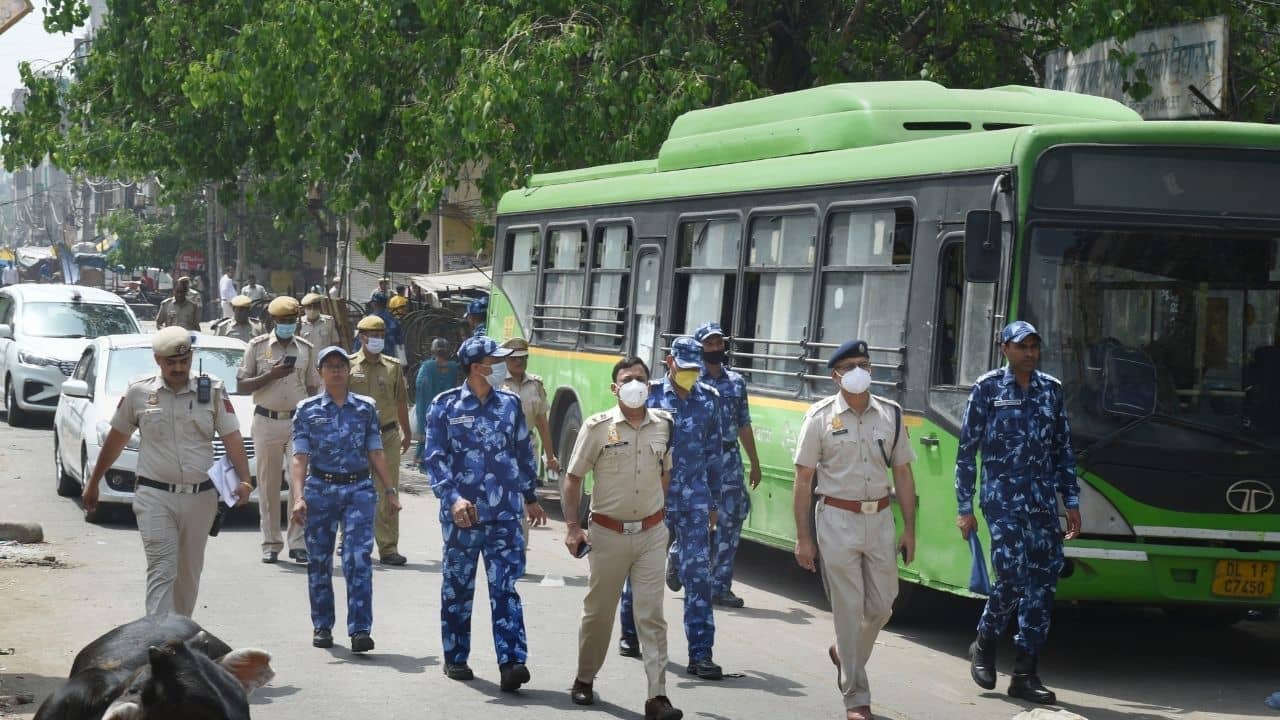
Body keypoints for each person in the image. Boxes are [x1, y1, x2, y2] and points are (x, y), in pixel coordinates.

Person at [82, 327, 252, 616]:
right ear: (157, 360)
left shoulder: (212, 390)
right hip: (154, 495)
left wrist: (245, 480)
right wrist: (94, 481)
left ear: (191, 358)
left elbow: (232, 436)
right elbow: (116, 438)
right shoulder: (139, 391)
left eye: (183, 362)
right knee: (162, 568)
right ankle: (156, 639)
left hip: (201, 498)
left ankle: (178, 639)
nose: (178, 368)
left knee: (187, 575)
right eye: (170, 362)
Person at [956, 320, 1080, 705]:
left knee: (1043, 585)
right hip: (1002, 502)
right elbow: (966, 452)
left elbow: (1063, 448)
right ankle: (985, 642)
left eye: (1034, 346)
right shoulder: (988, 388)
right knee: (1010, 576)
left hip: (1042, 504)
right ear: (1004, 348)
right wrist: (965, 507)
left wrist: (1071, 501)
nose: (1030, 352)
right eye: (1021, 346)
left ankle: (1025, 673)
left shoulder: (1051, 391)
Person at [793, 339, 917, 720]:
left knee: (881, 606)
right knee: (848, 608)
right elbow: (803, 479)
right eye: (850, 366)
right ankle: (855, 697)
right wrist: (803, 537)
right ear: (836, 376)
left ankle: (843, 653)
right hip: (835, 519)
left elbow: (904, 474)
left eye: (864, 363)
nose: (859, 371)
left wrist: (909, 529)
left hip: (880, 518)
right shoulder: (819, 417)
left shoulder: (891, 415)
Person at [421, 335, 548, 690]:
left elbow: (523, 452)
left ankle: (511, 662)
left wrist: (531, 496)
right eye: (496, 361)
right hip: (464, 516)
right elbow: (434, 459)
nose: (503, 366)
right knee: (458, 588)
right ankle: (456, 657)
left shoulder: (509, 405)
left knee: (505, 588)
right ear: (478, 366)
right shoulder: (444, 406)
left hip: (505, 515)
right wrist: (452, 498)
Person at [562, 357, 683, 720]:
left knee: (652, 615)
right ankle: (585, 679)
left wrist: (653, 511)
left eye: (641, 379)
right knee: (599, 613)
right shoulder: (597, 427)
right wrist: (572, 527)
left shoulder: (664, 424)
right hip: (607, 535)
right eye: (627, 379)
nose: (635, 385)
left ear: (650, 385)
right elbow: (573, 478)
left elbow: (666, 473)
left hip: (651, 534)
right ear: (615, 388)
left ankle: (657, 697)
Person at [618, 336, 724, 680]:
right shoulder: (648, 397)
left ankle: (700, 654)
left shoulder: (709, 400)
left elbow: (714, 456)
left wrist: (714, 503)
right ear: (670, 362)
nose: (691, 374)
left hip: (693, 499)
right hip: (652, 499)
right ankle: (630, 633)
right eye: (685, 367)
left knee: (699, 576)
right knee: (642, 572)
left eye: (696, 369)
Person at [290, 345, 402, 653]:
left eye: (341, 365)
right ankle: (322, 625)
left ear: (348, 370)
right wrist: (298, 497)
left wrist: (390, 491)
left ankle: (360, 629)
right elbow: (300, 457)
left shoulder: (365, 407)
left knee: (357, 559)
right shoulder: (307, 409)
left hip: (358, 490)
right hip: (321, 490)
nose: (337, 370)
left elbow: (376, 451)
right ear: (320, 372)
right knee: (320, 560)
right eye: (330, 366)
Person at [236, 296, 321, 564]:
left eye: (291, 321)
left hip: (297, 422)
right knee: (268, 484)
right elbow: (241, 385)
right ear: (273, 321)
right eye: (282, 321)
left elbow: (311, 387)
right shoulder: (257, 346)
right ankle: (271, 543)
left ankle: (297, 542)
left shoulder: (306, 349)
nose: (287, 326)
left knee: (300, 483)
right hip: (266, 422)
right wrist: (270, 375)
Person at [693, 322, 762, 609]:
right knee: (694, 518)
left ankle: (721, 586)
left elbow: (744, 424)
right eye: (709, 344)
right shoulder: (690, 380)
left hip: (729, 459)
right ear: (700, 348)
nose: (715, 348)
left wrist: (755, 463)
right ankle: (683, 564)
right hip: (697, 458)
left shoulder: (736, 382)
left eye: (719, 343)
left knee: (731, 520)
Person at [347, 315, 412, 566]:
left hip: (386, 435)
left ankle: (388, 547)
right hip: (356, 437)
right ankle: (350, 540)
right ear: (361, 337)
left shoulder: (393, 367)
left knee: (388, 490)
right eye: (373, 335)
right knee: (353, 489)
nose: (377, 340)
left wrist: (407, 432)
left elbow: (400, 401)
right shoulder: (349, 364)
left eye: (381, 335)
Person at [500, 338, 560, 479]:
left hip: (528, 445)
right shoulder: (496, 383)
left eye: (523, 358)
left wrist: (550, 458)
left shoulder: (535, 384)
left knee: (526, 493)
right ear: (505, 360)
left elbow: (542, 424)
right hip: (501, 446)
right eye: (514, 358)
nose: (519, 362)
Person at [414, 338, 463, 460]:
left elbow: (421, 389)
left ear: (432, 351)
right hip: (448, 412)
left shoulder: (426, 366)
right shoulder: (454, 367)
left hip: (429, 412)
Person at [353, 292, 403, 358]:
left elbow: (358, 343)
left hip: (369, 359)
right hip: (389, 361)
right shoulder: (394, 321)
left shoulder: (367, 322)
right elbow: (400, 345)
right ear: (386, 304)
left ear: (373, 304)